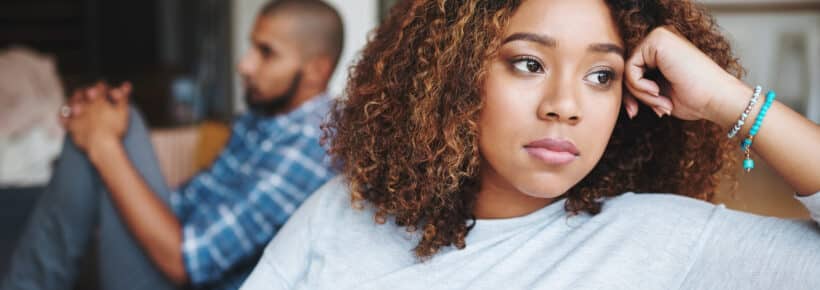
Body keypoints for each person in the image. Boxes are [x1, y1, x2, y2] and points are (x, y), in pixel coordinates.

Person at [240, 0, 820, 289]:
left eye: (602, 76)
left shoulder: (664, 242)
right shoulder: (341, 212)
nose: (564, 104)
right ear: (457, 77)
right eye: (528, 63)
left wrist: (730, 101)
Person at [1, 1, 343, 289]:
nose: (244, 64)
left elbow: (188, 262)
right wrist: (108, 176)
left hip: (192, 279)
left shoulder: (310, 145)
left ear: (315, 70)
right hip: (179, 253)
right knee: (109, 115)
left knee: (115, 127)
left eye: (266, 53)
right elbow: (189, 201)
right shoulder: (266, 118)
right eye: (252, 47)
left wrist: (104, 145)